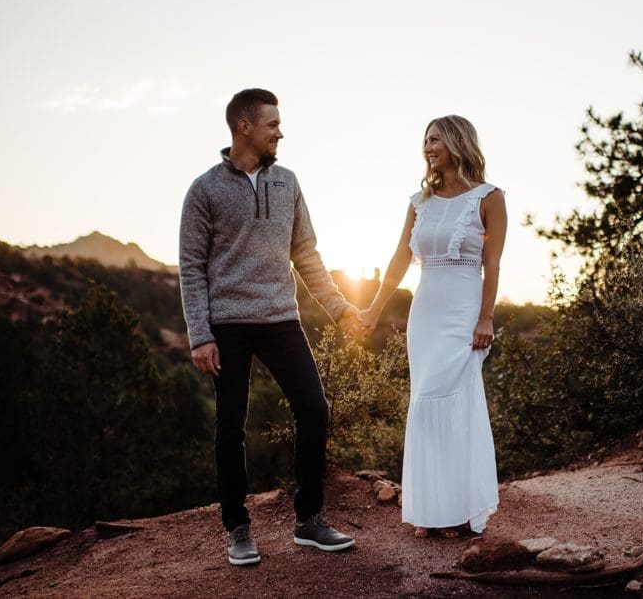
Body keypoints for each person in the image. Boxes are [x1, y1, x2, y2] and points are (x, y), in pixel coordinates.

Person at [179, 88, 363, 566]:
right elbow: (191, 266)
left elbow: (306, 255)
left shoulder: (288, 182)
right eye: (272, 124)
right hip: (228, 326)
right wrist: (200, 334)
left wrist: (340, 309)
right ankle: (238, 529)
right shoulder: (205, 189)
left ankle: (309, 521)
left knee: (313, 409)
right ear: (245, 127)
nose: (280, 132)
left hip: (282, 318)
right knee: (230, 428)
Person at [360, 114, 506, 538]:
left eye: (435, 139)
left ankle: (461, 509)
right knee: (425, 406)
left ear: (458, 142)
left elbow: (492, 263)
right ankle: (431, 510)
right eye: (425, 140)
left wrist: (486, 317)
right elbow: (399, 260)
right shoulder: (418, 202)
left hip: (464, 314)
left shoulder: (489, 198)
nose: (427, 147)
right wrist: (372, 308)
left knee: (454, 404)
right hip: (424, 314)